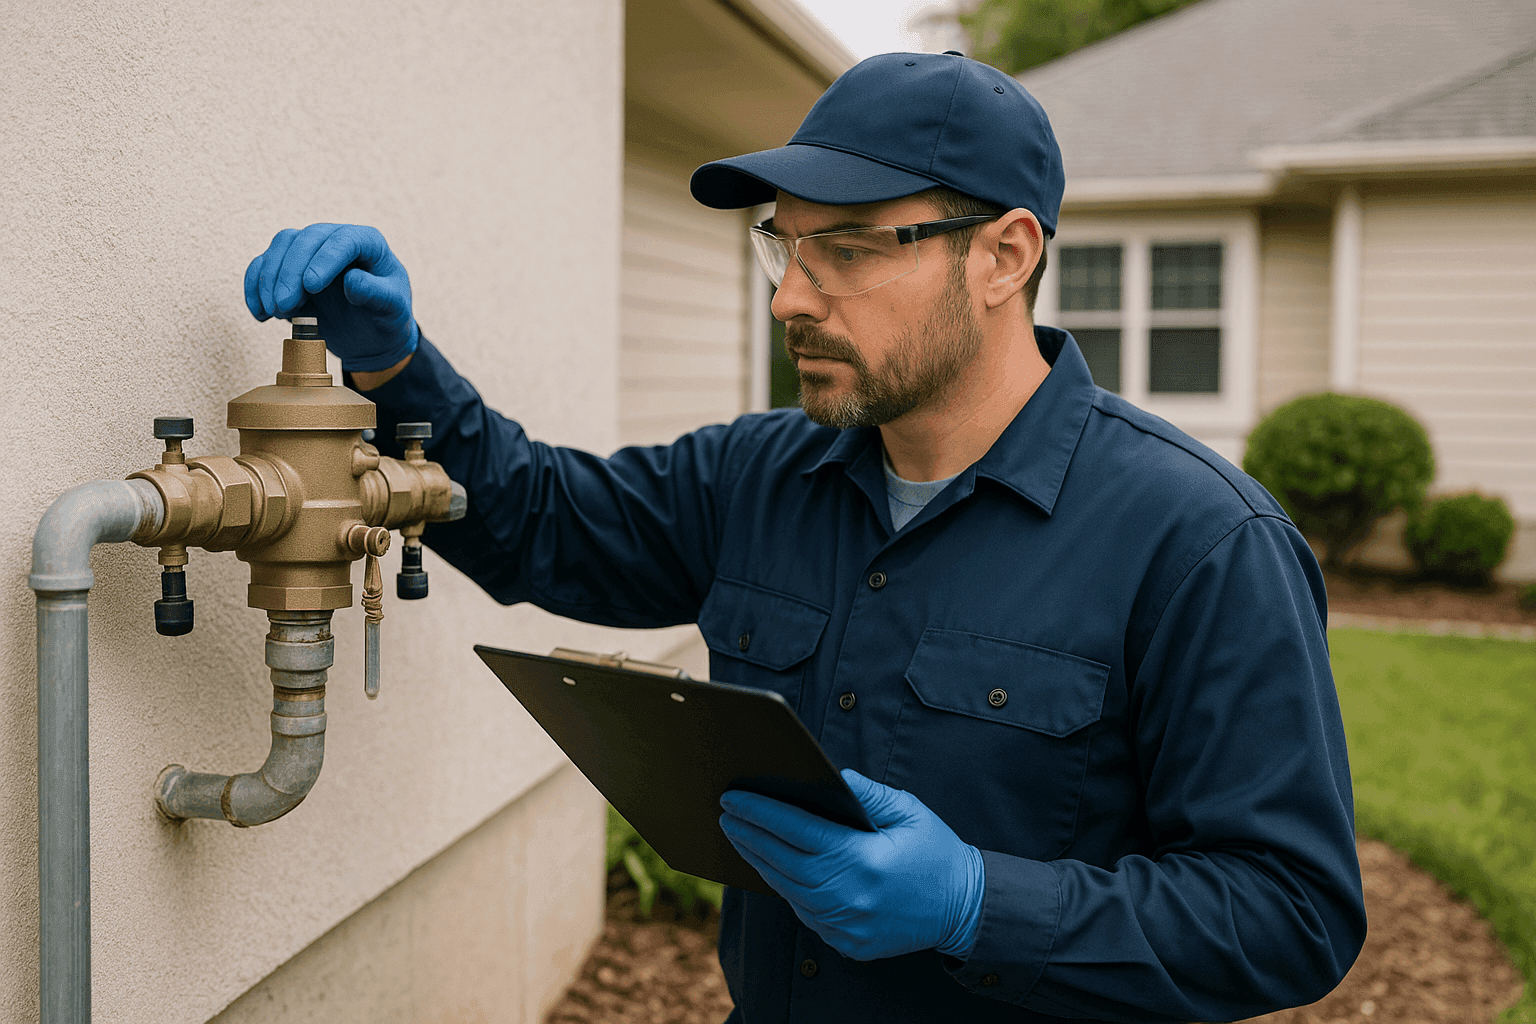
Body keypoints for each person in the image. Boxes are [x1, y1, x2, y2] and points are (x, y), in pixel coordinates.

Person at [244, 51, 1365, 1023]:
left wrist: (982, 900)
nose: (792, 298)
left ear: (1005, 255)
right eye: (784, 247)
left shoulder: (1202, 541)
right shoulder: (757, 477)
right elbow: (543, 521)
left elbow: (1290, 912)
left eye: (851, 250)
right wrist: (392, 367)